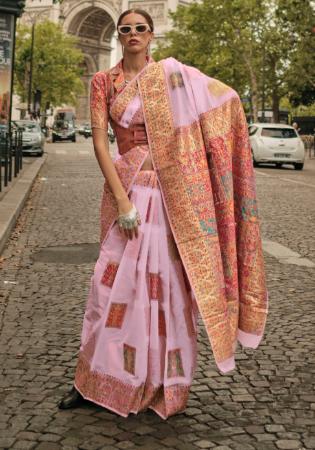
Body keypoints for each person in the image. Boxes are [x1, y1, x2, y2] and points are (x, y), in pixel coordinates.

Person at [59, 9, 268, 419]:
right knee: (110, 290)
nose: (133, 34)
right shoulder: (104, 81)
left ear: (151, 35)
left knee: (166, 291)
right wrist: (122, 201)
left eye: (140, 28)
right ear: (118, 36)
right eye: (126, 29)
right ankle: (93, 380)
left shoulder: (174, 79)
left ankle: (158, 383)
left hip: (171, 199)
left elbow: (221, 101)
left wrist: (233, 108)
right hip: (128, 192)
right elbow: (101, 144)